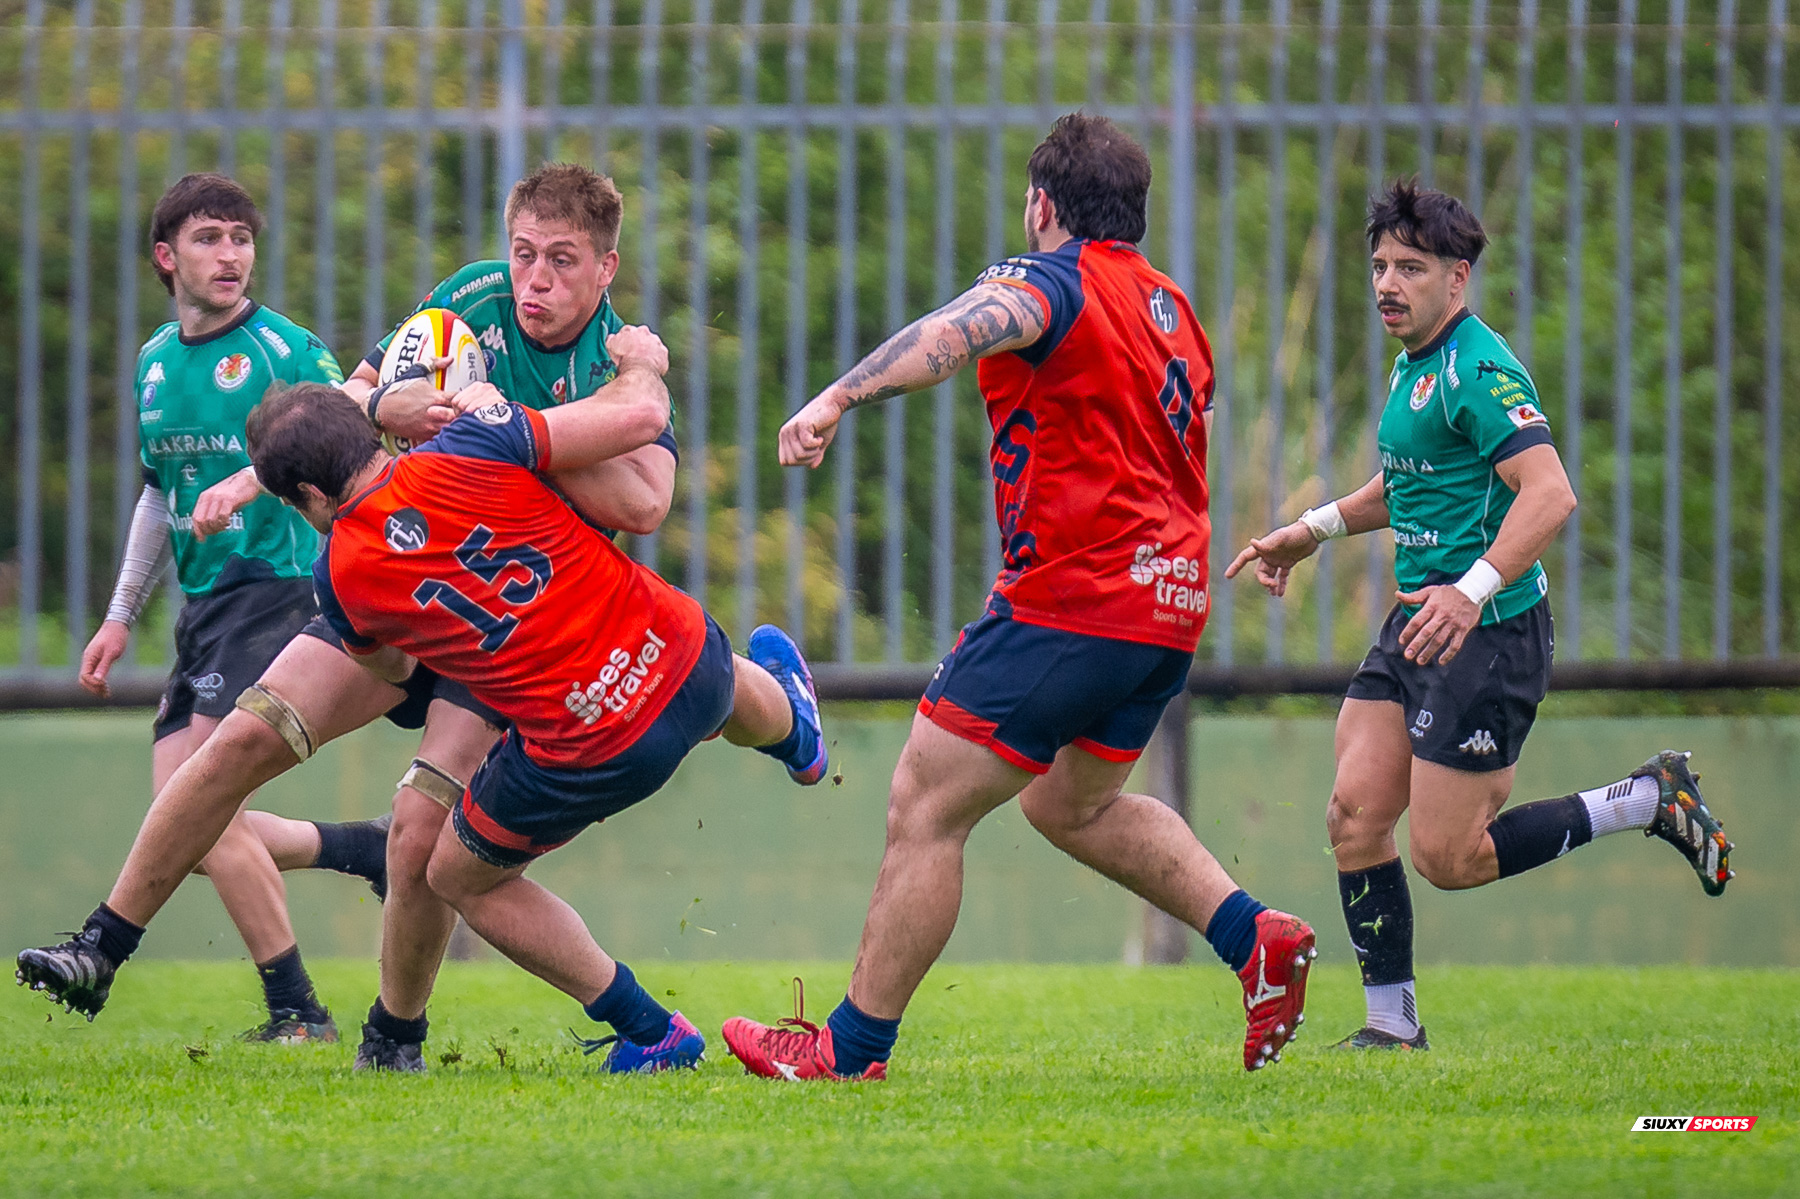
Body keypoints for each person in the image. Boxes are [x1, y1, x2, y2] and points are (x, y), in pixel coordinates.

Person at [17, 163, 682, 1073]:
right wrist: (386, 405)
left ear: (605, 271)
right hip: (394, 578)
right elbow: (357, 396)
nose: (533, 279)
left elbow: (647, 501)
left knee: (420, 830)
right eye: (524, 252)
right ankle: (102, 945)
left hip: (502, 631)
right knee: (240, 742)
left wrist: (501, 422)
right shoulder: (472, 297)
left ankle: (393, 1037)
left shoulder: (620, 358)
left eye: (561, 262)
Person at [723, 113, 1316, 1081]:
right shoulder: (1172, 306)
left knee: (924, 802)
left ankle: (848, 1047)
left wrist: (837, 395)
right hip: (1167, 604)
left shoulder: (1049, 278)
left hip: (1072, 599)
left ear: (1044, 203)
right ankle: (1256, 937)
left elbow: (956, 333)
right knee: (1070, 804)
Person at [1225, 179, 1734, 1052]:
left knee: (1450, 857)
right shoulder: (1412, 363)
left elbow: (1551, 494)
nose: (1389, 283)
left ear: (1457, 280)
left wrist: (1472, 590)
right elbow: (1409, 478)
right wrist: (1311, 530)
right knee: (1352, 812)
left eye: (1411, 268)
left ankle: (1648, 799)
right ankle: (1392, 1026)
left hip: (1486, 633)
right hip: (1422, 618)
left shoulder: (1480, 368)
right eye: (1380, 265)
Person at [254, 369, 820, 1071]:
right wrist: (642, 359)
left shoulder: (338, 573)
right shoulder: (472, 440)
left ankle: (651, 1029)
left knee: (456, 876)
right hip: (685, 653)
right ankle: (798, 735)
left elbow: (395, 671)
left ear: (308, 494)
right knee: (721, 672)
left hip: (600, 740)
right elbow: (639, 408)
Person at [60, 173, 389, 1042]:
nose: (231, 254)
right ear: (167, 257)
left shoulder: (286, 350)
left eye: (242, 237)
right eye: (210, 238)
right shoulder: (154, 361)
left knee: (194, 808)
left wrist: (257, 486)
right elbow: (156, 494)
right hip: (202, 606)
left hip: (280, 591)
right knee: (192, 822)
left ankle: (296, 1007)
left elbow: (358, 444)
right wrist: (120, 613)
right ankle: (362, 850)